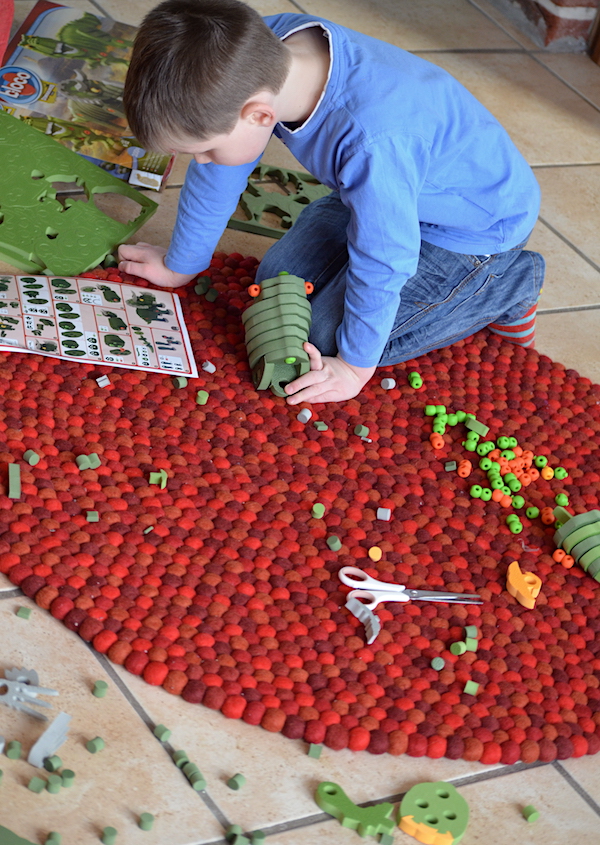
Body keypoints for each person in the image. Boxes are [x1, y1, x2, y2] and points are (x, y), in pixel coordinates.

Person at [118, 0, 545, 406]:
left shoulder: (371, 143)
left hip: (472, 230)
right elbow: (219, 173)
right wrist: (182, 263)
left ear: (259, 116)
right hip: (387, 193)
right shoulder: (260, 54)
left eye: (204, 150)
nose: (201, 161)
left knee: (325, 340)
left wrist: (355, 367)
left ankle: (510, 285)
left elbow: (384, 257)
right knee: (277, 281)